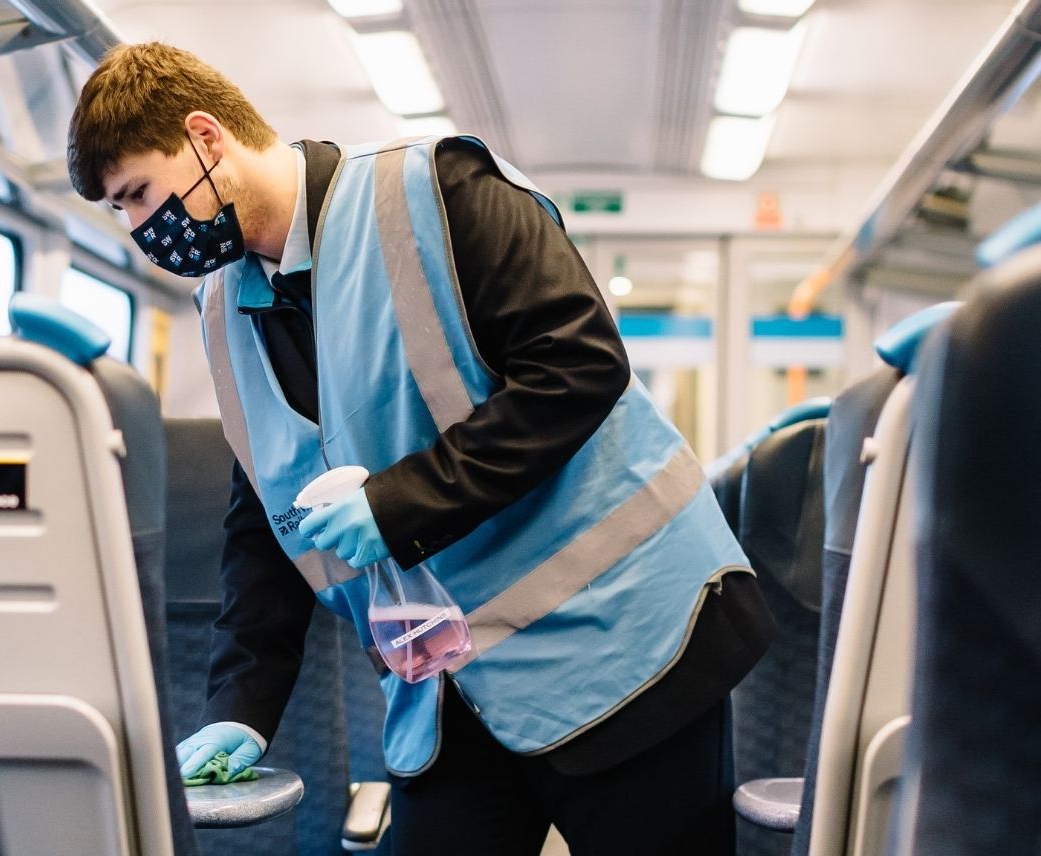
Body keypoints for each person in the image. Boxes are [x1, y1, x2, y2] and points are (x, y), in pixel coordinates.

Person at [67, 42, 775, 855]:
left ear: (206, 139)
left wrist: (399, 505)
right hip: (447, 691)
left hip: (625, 642)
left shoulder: (436, 192)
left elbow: (579, 365)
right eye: (119, 214)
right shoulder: (225, 309)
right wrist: (242, 703)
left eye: (139, 196)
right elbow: (267, 518)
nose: (140, 231)